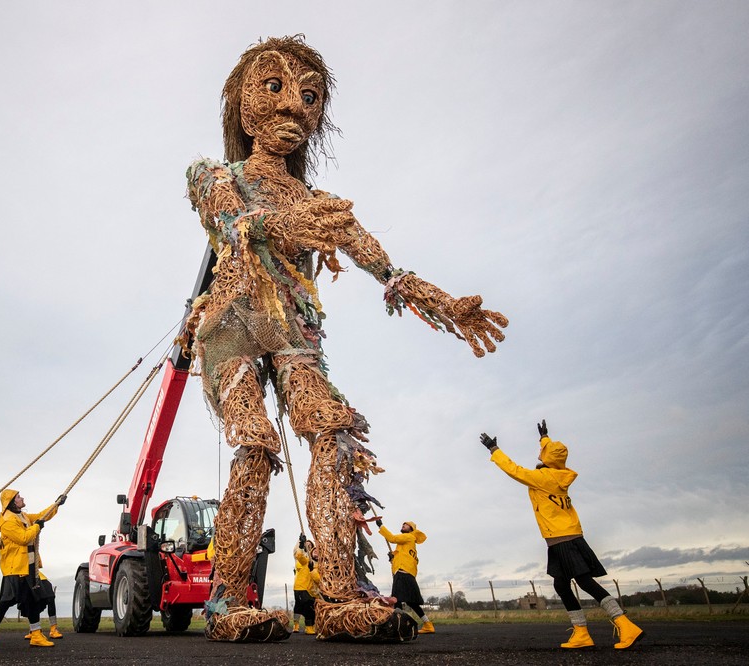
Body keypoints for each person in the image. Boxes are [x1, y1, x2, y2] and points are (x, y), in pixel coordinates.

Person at [184, 34, 507, 642]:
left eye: (308, 96)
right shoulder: (214, 175)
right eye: (275, 88)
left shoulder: (320, 202)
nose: (293, 109)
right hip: (232, 327)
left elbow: (386, 269)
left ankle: (337, 597)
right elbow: (231, 222)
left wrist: (446, 305)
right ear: (242, 102)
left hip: (294, 336)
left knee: (333, 435)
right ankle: (226, 599)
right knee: (255, 444)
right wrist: (284, 223)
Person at [479, 420, 644, 650]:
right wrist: (544, 436)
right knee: (562, 585)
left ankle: (624, 624)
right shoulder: (559, 473)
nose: (540, 452)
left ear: (547, 458)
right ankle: (581, 632)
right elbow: (555, 454)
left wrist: (494, 450)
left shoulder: (543, 478)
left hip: (562, 539)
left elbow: (513, 470)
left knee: (585, 582)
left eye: (542, 451)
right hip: (566, 536)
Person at [0, 489, 65, 649]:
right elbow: (23, 538)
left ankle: (36, 635)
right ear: (12, 502)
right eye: (19, 497)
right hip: (15, 569)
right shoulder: (7, 521)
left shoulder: (23, 516)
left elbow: (42, 515)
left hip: (27, 568)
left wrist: (56, 504)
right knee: (5, 603)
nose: (22, 498)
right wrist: (37, 527)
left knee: (33, 600)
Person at [376, 518, 434, 634]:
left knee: (396, 599)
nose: (403, 525)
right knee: (411, 602)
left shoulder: (409, 537)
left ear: (411, 529)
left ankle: (400, 627)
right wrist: (393, 558)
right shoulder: (406, 546)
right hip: (407, 574)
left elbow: (392, 538)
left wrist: (381, 526)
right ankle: (428, 624)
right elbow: (402, 560)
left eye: (406, 525)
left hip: (403, 573)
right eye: (403, 524)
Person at [21, 569, 62, 640]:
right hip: (25, 578)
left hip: (41, 578)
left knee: (50, 598)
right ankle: (34, 630)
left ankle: (53, 629)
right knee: (31, 602)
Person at [292, 534, 318, 634]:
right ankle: (297, 625)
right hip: (301, 587)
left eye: (310, 545)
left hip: (312, 590)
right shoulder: (305, 560)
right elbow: (299, 556)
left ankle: (310, 626)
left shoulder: (318, 565)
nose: (309, 547)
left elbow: (317, 579)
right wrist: (301, 545)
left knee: (310, 608)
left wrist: (313, 570)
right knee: (299, 607)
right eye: (307, 545)